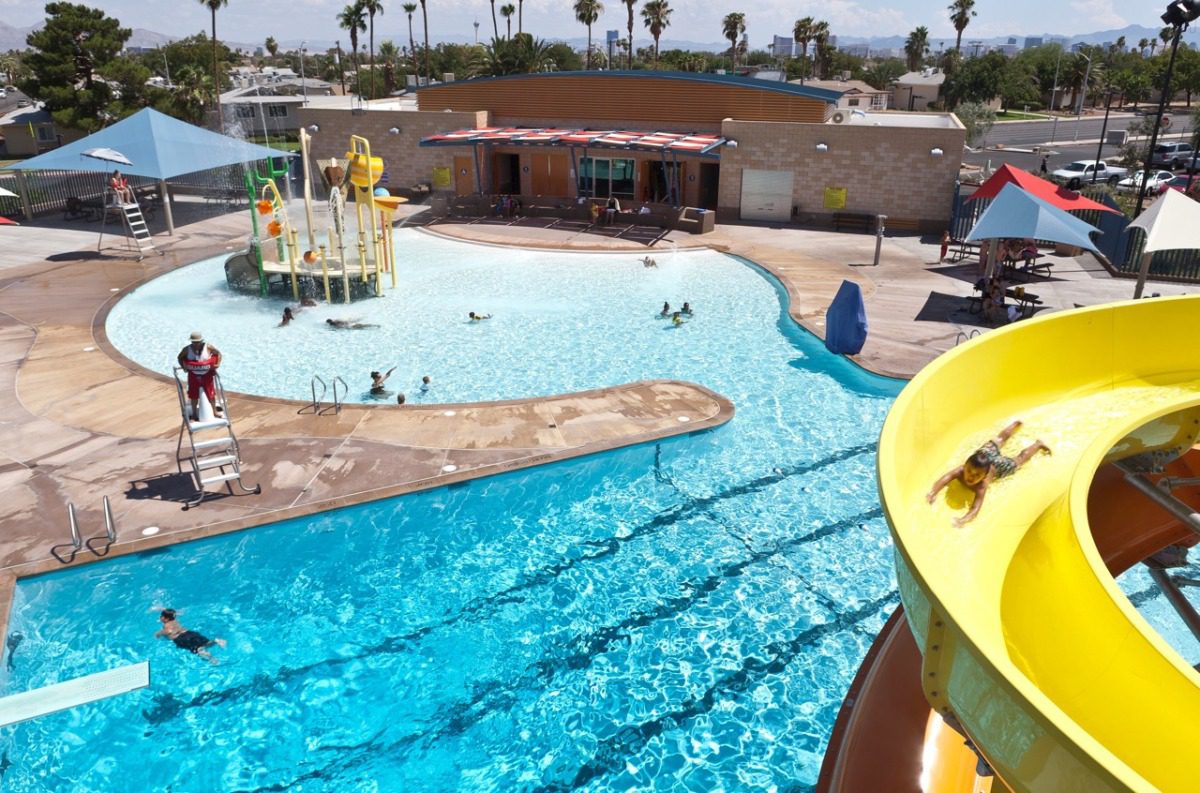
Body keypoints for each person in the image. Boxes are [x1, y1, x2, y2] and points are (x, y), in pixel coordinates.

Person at [927, 420, 1051, 527]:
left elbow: (975, 508)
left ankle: (1038, 444)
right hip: (985, 454)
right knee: (999, 439)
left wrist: (963, 520)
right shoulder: (960, 470)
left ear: (984, 476)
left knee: (1019, 460)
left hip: (997, 465)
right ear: (965, 466)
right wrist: (933, 492)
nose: (971, 476)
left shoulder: (981, 486)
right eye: (969, 471)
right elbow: (945, 478)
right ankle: (1015, 424)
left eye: (977, 475)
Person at [155, 608, 227, 665]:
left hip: (183, 639)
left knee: (199, 650)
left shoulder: (166, 628)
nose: (160, 617)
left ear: (166, 619)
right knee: (205, 643)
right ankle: (216, 641)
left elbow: (167, 632)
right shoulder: (175, 620)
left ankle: (212, 659)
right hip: (190, 633)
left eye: (161, 616)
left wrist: (158, 634)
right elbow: (174, 613)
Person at [177, 332, 222, 422]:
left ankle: (214, 411)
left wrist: (218, 364)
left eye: (197, 342)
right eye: (194, 342)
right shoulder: (187, 349)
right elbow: (180, 357)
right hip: (193, 375)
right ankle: (194, 414)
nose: (196, 344)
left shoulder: (208, 347)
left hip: (207, 374)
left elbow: (219, 354)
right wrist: (183, 367)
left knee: (211, 394)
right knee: (193, 395)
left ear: (201, 341)